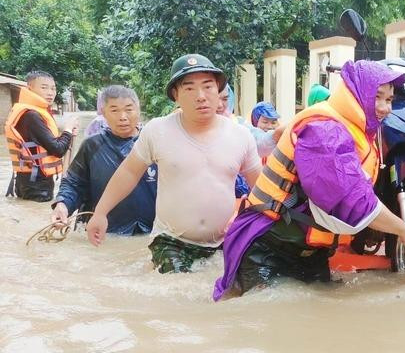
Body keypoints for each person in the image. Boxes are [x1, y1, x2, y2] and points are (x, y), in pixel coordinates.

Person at [213, 60, 405, 300]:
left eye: (390, 100)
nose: (386, 108)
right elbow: (352, 199)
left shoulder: (358, 131)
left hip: (312, 254)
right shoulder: (324, 131)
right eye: (378, 97)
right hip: (267, 248)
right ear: (357, 93)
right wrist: (404, 230)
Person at [86, 54, 262, 273]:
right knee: (178, 288)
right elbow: (129, 173)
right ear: (175, 96)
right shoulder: (158, 131)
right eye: (189, 89)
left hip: (223, 241)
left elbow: (262, 187)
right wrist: (100, 213)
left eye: (208, 87)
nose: (201, 96)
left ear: (219, 91)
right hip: (170, 240)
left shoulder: (241, 136)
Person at [51, 85, 156, 235]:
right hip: (104, 232)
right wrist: (62, 204)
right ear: (104, 114)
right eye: (114, 110)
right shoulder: (92, 145)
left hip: (150, 231)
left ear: (138, 111)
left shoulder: (154, 142)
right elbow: (74, 183)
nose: (123, 117)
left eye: (128, 109)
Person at [4, 71, 78, 202]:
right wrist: (67, 130)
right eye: (44, 87)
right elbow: (58, 149)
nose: (50, 92)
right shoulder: (32, 115)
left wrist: (67, 134)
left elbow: (45, 142)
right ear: (30, 88)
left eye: (53, 88)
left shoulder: (28, 112)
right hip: (37, 186)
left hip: (25, 181)